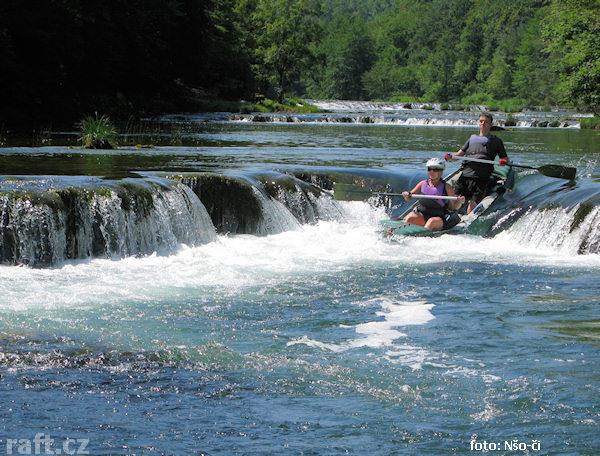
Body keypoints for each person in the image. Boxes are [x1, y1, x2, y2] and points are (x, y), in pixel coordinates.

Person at [445, 112, 509, 213]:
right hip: (466, 175)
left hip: (482, 177)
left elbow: (505, 158)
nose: (483, 123)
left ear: (491, 124)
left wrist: (503, 161)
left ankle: (468, 216)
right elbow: (459, 155)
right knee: (455, 201)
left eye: (486, 122)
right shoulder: (471, 138)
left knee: (472, 205)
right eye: (481, 121)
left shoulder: (496, 141)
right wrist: (450, 156)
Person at [401, 157, 465, 231]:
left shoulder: (447, 187)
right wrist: (406, 194)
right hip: (423, 214)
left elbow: (453, 207)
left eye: (435, 169)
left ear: (441, 171)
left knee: (431, 222)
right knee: (410, 217)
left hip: (439, 218)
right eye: (429, 169)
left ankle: (423, 234)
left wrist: (459, 202)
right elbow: (409, 197)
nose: (432, 172)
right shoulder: (422, 183)